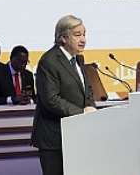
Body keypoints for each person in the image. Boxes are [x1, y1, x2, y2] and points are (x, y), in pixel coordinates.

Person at [32, 15, 96, 175]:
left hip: (76, 135)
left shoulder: (77, 59)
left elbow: (86, 89)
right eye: (77, 35)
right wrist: (81, 113)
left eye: (84, 34)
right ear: (63, 38)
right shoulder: (49, 61)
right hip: (54, 138)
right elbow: (50, 100)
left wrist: (90, 106)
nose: (83, 39)